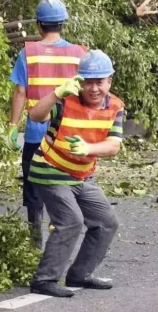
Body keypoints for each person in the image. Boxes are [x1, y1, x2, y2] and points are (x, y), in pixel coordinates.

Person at [28, 49, 124, 297]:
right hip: (49, 169)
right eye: (88, 82)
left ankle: (79, 275)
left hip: (81, 174)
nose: (93, 89)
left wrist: (89, 148)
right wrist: (56, 92)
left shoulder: (115, 106)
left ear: (109, 81)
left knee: (106, 222)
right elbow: (36, 115)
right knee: (71, 221)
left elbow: (113, 145)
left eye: (99, 82)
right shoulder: (65, 100)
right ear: (79, 81)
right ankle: (44, 280)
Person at [8, 0, 86, 248]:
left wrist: (12, 126)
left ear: (39, 24)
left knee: (33, 190)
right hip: (65, 136)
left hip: (35, 134)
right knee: (62, 187)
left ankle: (34, 244)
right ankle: (59, 239)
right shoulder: (79, 54)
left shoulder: (28, 52)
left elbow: (20, 92)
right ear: (62, 24)